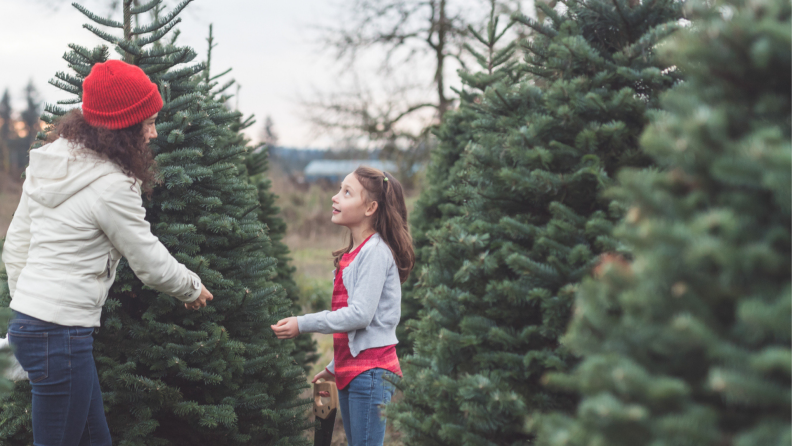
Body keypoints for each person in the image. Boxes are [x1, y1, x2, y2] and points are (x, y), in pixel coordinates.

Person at [2, 59, 214, 446]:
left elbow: (16, 244)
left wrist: (29, 308)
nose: (153, 132)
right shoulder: (112, 184)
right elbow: (147, 258)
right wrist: (191, 287)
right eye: (146, 123)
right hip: (59, 334)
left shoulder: (50, 163)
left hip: (40, 327)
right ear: (122, 128)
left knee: (93, 438)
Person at [271, 166, 414, 446]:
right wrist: (337, 366)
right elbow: (362, 332)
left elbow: (360, 316)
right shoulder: (355, 253)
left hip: (370, 372)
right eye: (339, 189)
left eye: (346, 192)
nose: (335, 197)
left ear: (371, 207)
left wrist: (303, 323)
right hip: (355, 371)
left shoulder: (375, 252)